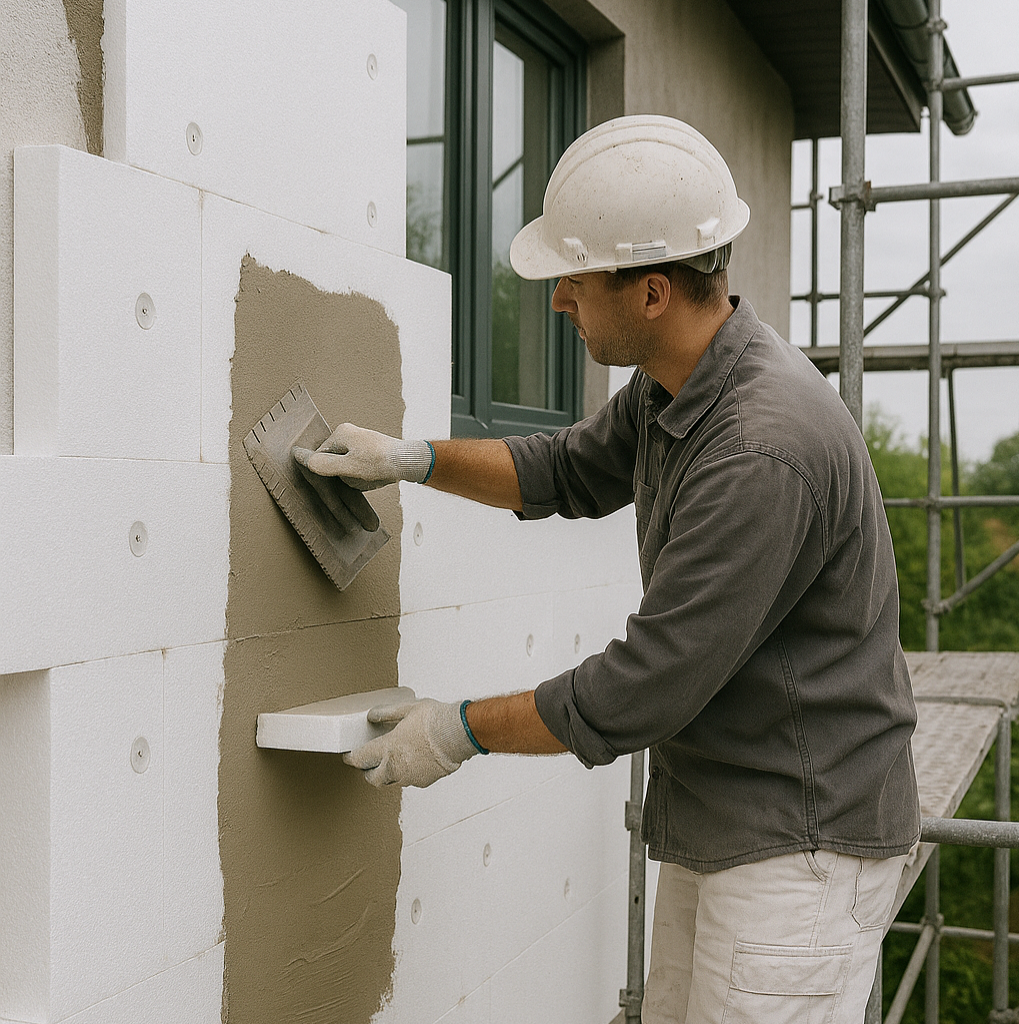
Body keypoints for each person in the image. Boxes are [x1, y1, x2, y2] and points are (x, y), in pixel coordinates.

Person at [293, 115, 920, 1024]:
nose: (558, 303)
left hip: (803, 848)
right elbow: (566, 470)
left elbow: (645, 689)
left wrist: (454, 731)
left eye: (574, 282)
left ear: (654, 291)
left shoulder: (759, 451)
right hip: (728, 816)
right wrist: (412, 458)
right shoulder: (679, 384)